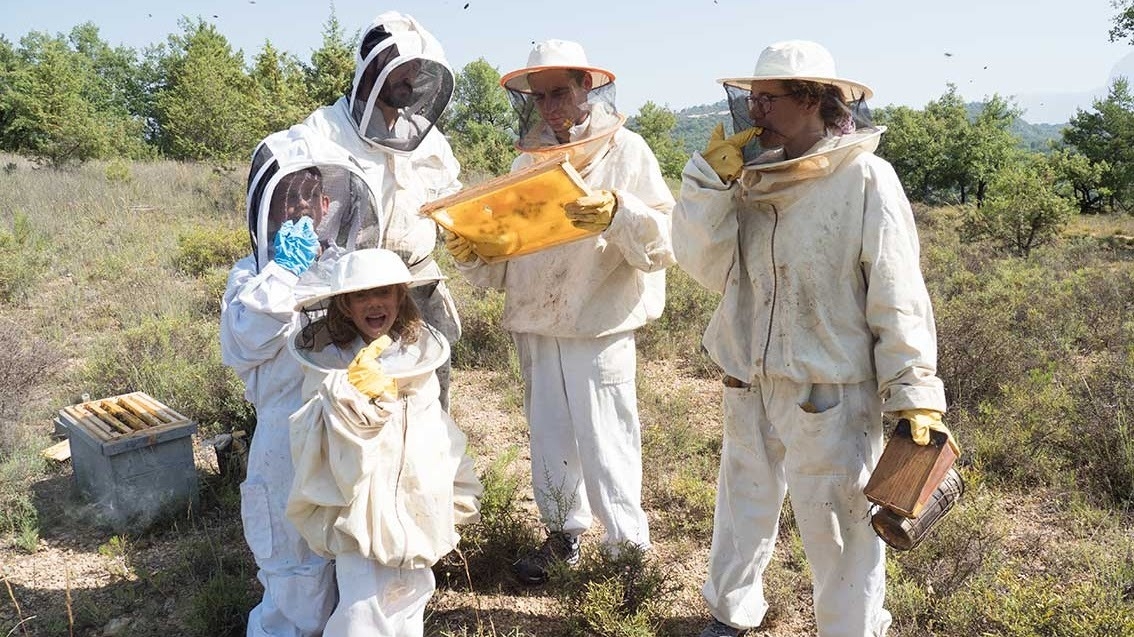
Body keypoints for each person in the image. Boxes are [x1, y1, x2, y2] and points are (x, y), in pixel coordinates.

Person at [672, 40, 958, 637]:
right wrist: (706, 187)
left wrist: (916, 391)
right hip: (747, 376)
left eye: (768, 99)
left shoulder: (865, 179)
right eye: (751, 98)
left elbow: (897, 291)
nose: (754, 111)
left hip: (828, 389)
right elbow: (702, 265)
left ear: (811, 101)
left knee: (839, 529)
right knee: (742, 507)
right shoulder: (746, 178)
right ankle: (730, 613)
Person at [444, 39, 676, 585]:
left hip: (599, 320)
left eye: (560, 92)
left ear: (586, 87)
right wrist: (474, 253)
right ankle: (562, 535)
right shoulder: (528, 160)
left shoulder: (629, 152)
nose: (550, 106)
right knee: (549, 434)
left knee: (607, 438)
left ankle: (627, 553)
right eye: (540, 96)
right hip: (537, 320)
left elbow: (667, 240)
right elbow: (508, 256)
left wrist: (621, 212)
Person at [221, 124, 382, 637]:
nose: (303, 210)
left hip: (348, 439)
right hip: (285, 448)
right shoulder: (250, 278)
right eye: (290, 198)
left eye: (312, 196)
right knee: (297, 585)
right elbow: (245, 342)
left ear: (331, 202)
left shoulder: (344, 270)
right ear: (266, 207)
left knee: (358, 573)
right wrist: (284, 275)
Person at [285, 248, 482, 637]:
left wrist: (450, 484)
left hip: (413, 503)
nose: (374, 304)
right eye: (361, 296)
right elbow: (312, 434)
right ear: (344, 304)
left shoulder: (416, 351)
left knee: (409, 601)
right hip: (359, 511)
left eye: (385, 293)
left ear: (399, 298)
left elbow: (433, 427)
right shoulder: (328, 358)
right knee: (362, 614)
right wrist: (352, 396)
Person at [303, 11, 463, 411]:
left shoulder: (429, 138)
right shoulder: (324, 130)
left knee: (427, 396)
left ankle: (426, 470)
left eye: (415, 66)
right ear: (372, 65)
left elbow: (450, 198)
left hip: (419, 280)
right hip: (354, 291)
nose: (410, 75)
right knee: (354, 400)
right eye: (399, 64)